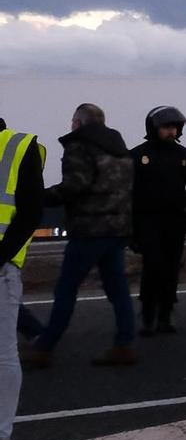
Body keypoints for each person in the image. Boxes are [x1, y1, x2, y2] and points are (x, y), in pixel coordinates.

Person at [23, 104, 137, 369]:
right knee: (117, 288)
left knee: (66, 289)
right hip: (117, 228)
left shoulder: (80, 147)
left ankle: (44, 347)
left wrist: (39, 196)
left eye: (73, 120)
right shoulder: (119, 148)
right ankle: (124, 344)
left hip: (89, 230)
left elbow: (76, 185)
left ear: (79, 122)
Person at [129, 105, 186, 336]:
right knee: (153, 266)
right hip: (146, 221)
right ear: (153, 128)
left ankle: (166, 313)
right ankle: (148, 313)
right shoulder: (136, 155)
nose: (171, 131)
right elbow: (125, 192)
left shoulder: (184, 155)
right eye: (166, 127)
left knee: (171, 268)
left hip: (175, 221)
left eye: (174, 127)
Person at [0, 117, 48, 440]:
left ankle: (1, 438)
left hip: (1, 266)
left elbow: (31, 213)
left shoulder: (20, 145)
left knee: (2, 354)